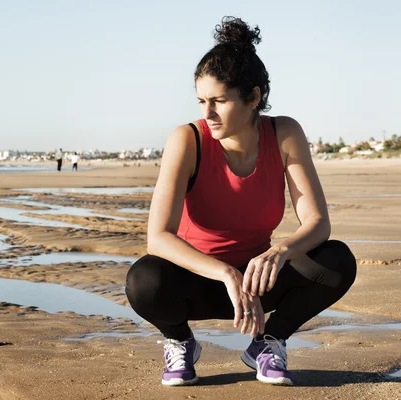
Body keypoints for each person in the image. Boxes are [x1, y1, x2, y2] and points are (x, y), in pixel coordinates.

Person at [125, 17, 356, 387]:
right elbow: (158, 237)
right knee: (143, 280)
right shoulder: (188, 140)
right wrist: (224, 272)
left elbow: (317, 222)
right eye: (201, 101)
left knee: (337, 261)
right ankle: (180, 342)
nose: (207, 113)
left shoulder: (284, 133)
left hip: (258, 282)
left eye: (218, 101)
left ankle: (268, 343)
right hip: (198, 281)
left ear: (253, 97)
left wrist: (279, 251)